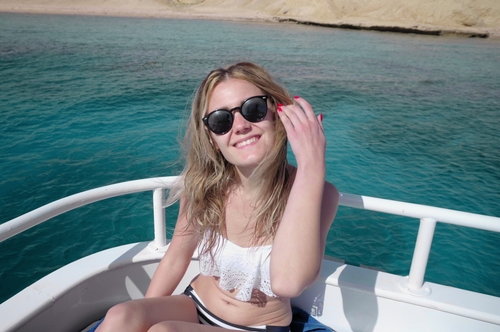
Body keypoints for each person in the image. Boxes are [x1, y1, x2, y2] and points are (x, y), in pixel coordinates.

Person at [94, 61, 339, 332]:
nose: (241, 126)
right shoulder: (205, 186)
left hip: (257, 328)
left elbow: (288, 283)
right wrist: (141, 316)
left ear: (277, 113)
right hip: (195, 303)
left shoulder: (317, 192)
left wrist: (312, 166)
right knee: (121, 316)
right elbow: (177, 257)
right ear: (212, 138)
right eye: (222, 120)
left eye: (253, 109)